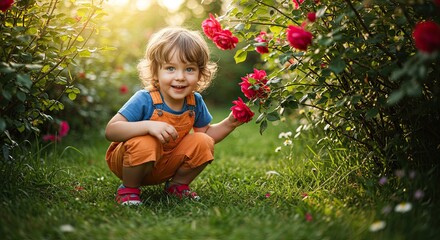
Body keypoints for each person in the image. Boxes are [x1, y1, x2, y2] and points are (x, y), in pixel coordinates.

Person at [105, 26, 244, 206]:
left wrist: (230, 123)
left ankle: (177, 186)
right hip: (129, 163)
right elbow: (111, 130)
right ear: (156, 71)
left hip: (166, 164)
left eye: (189, 69)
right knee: (146, 142)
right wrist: (148, 126)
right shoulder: (145, 99)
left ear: (200, 73)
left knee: (203, 141)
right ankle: (128, 189)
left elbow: (207, 135)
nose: (180, 77)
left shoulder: (194, 102)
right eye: (170, 68)